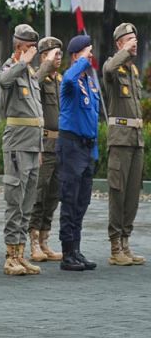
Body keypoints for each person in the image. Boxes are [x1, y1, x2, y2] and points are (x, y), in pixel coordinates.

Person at [0, 24, 43, 276]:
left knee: (27, 203)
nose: (32, 53)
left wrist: (40, 148)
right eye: (28, 48)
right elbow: (3, 81)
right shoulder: (11, 68)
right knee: (14, 201)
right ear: (18, 47)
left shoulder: (29, 73)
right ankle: (10, 257)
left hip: (32, 144)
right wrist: (20, 62)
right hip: (16, 143)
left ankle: (20, 254)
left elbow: (37, 113)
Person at [103, 23, 145, 266]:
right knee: (117, 193)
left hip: (136, 140)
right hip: (119, 140)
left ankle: (126, 241)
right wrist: (124, 52)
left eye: (135, 39)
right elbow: (108, 68)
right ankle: (115, 245)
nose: (134, 42)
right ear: (119, 44)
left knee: (132, 195)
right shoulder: (113, 68)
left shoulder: (133, 72)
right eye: (129, 39)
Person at [58, 35, 100, 271]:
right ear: (75, 55)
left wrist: (94, 150)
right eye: (86, 52)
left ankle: (76, 249)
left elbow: (93, 117)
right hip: (71, 145)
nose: (90, 56)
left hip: (86, 147)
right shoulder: (71, 79)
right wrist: (81, 62)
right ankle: (67, 253)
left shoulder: (90, 83)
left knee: (82, 201)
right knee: (70, 199)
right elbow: (69, 76)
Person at [28, 36, 64, 262]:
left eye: (60, 54)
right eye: (54, 54)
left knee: (53, 195)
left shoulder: (59, 80)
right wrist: (44, 65)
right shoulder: (37, 77)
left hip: (60, 145)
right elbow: (34, 85)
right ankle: (33, 242)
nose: (58, 58)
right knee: (39, 194)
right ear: (43, 56)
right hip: (44, 144)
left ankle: (44, 239)